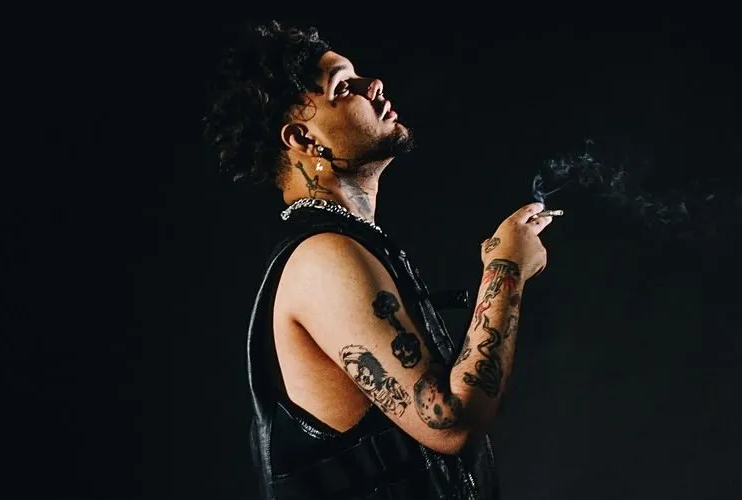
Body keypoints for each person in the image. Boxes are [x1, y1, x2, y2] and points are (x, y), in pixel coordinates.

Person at [203, 21, 555, 499]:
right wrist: (506, 270)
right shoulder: (323, 258)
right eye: (343, 87)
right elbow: (449, 423)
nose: (374, 85)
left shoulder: (353, 246)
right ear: (302, 139)